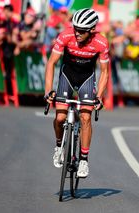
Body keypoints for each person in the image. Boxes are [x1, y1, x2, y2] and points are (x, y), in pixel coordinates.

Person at [44, 8, 109, 178]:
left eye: (81, 31)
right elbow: (51, 63)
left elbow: (105, 72)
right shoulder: (66, 36)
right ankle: (59, 146)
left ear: (92, 30)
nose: (77, 33)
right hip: (67, 75)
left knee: (86, 117)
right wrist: (48, 90)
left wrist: (99, 97)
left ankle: (83, 160)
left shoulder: (101, 43)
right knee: (59, 118)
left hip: (86, 78)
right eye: (75, 29)